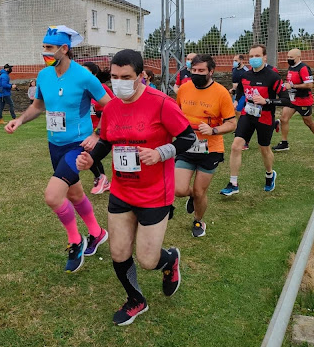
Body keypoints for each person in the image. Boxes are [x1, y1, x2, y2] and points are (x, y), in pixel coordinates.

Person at [76, 49, 195, 325]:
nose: (119, 83)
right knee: (118, 252)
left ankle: (170, 261)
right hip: (122, 191)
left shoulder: (161, 103)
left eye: (126, 77)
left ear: (142, 75)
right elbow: (107, 140)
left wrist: (161, 153)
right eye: (114, 77)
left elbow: (187, 136)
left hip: (155, 194)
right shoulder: (113, 106)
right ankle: (136, 300)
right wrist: (90, 158)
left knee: (147, 259)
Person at [5, 26, 110, 273]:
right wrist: (19, 120)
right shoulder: (44, 76)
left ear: (65, 49)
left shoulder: (84, 76)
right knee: (74, 194)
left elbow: (111, 106)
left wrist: (97, 134)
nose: (45, 52)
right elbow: (38, 105)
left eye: (49, 48)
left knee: (53, 196)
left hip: (78, 146)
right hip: (55, 145)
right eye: (43, 47)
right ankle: (97, 233)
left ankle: (75, 241)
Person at [175, 54, 236, 238]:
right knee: (178, 189)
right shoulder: (184, 89)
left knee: (201, 192)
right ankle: (192, 197)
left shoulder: (221, 93)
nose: (196, 74)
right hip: (187, 146)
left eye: (201, 71)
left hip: (210, 149)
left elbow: (232, 123)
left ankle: (198, 219)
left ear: (211, 71)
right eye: (193, 70)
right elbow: (176, 114)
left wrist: (214, 130)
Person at [220, 44, 286, 196]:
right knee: (236, 146)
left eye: (257, 56)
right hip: (247, 115)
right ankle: (233, 183)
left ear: (264, 57)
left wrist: (267, 101)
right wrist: (237, 101)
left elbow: (286, 99)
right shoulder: (245, 76)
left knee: (264, 148)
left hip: (265, 117)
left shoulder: (272, 76)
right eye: (251, 56)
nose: (254, 59)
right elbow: (241, 90)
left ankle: (270, 174)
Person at [272, 49, 314, 153]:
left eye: (291, 57)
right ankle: (284, 143)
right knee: (284, 118)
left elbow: (309, 85)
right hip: (292, 98)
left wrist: (292, 86)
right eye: (288, 57)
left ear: (299, 57)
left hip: (304, 99)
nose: (289, 59)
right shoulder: (291, 67)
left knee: (308, 122)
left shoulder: (304, 68)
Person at [82, 61, 115, 194]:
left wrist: (101, 113)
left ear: (94, 74)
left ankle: (102, 179)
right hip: (88, 131)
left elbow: (113, 105)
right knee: (86, 156)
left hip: (104, 131)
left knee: (91, 157)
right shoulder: (81, 90)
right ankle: (101, 179)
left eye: (86, 72)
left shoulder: (101, 88)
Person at [230, 54, 250, 149]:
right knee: (236, 111)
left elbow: (244, 85)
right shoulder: (234, 70)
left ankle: (242, 130)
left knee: (240, 112)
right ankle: (240, 128)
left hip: (243, 94)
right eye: (233, 60)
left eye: (236, 60)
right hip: (236, 94)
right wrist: (232, 89)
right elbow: (235, 83)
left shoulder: (246, 71)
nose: (234, 62)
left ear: (241, 61)